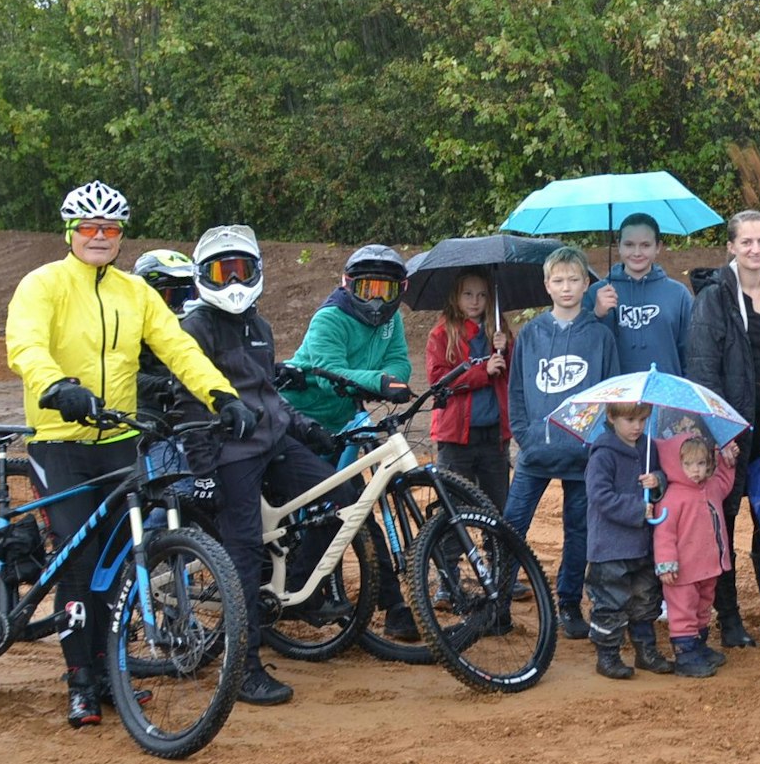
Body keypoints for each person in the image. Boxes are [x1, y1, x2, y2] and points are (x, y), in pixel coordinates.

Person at [4, 182, 250, 727]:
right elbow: (25, 345)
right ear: (71, 232)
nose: (99, 236)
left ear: (120, 237)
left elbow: (179, 348)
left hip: (117, 439)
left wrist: (221, 395)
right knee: (80, 558)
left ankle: (110, 675)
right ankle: (81, 683)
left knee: (116, 565)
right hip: (59, 438)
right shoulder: (42, 284)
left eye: (109, 228)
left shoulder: (135, 293)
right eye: (89, 227)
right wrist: (56, 386)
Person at [176, 225, 351, 706]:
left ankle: (298, 586)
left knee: (342, 496)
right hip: (230, 454)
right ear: (203, 276)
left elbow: (269, 397)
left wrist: (307, 429)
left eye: (241, 270)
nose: (233, 280)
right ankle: (244, 669)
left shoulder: (261, 328)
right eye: (222, 272)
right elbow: (190, 405)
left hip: (274, 443)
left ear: (256, 271)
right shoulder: (195, 329)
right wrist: (203, 472)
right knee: (243, 555)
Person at [686, 210, 760, 649]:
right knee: (723, 524)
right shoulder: (713, 298)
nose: (755, 249)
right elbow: (702, 370)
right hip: (731, 431)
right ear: (731, 246)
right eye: (746, 242)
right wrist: (721, 432)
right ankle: (728, 617)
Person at [504, 246, 621, 642]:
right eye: (559, 280)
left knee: (579, 531)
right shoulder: (531, 333)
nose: (566, 287)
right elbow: (516, 390)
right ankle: (498, 601)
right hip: (536, 452)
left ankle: (568, 602)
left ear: (587, 284)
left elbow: (612, 393)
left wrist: (597, 440)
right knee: (512, 524)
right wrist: (526, 435)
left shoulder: (601, 336)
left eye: (574, 280)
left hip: (582, 454)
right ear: (547, 285)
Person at [282, 245, 414, 433]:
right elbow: (328, 373)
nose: (376, 300)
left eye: (386, 291)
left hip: (342, 418)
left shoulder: (393, 319)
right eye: (367, 290)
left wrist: (389, 381)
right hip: (298, 415)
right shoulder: (329, 318)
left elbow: (398, 360)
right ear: (349, 286)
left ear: (401, 289)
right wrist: (379, 381)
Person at [583, 403, 671, 679]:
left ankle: (646, 651)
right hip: (609, 547)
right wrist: (636, 508)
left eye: (643, 420)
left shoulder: (648, 448)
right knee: (610, 602)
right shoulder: (603, 453)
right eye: (630, 420)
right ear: (611, 417)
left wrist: (657, 481)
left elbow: (662, 478)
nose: (637, 427)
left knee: (645, 599)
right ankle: (607, 655)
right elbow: (599, 495)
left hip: (642, 544)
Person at [426, 269, 513, 511]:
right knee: (453, 509)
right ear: (456, 296)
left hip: (493, 436)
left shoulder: (498, 331)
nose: (475, 301)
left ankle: (494, 539)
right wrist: (483, 371)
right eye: (468, 294)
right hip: (456, 437)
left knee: (497, 509)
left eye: (482, 295)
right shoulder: (441, 334)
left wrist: (506, 350)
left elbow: (516, 375)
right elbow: (439, 382)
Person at [654, 432, 739, 676]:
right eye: (688, 464)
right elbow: (664, 534)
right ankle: (685, 655)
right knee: (683, 610)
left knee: (703, 607)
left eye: (701, 463)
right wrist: (666, 564)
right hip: (682, 571)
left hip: (708, 566)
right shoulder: (672, 497)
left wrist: (726, 460)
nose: (696, 470)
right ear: (674, 464)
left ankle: (698, 646)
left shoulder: (710, 487)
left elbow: (724, 482)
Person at [590, 212, 694, 377]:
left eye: (645, 245)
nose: (637, 252)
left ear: (658, 247)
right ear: (618, 245)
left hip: (666, 389)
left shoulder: (679, 294)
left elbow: (692, 353)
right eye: (629, 244)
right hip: (613, 390)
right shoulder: (597, 293)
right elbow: (581, 348)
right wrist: (596, 314)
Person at [133, 249, 199, 412]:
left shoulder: (198, 326)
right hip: (144, 409)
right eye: (171, 296)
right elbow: (123, 375)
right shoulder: (129, 327)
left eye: (187, 295)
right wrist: (167, 384)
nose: (181, 305)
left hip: (190, 405)